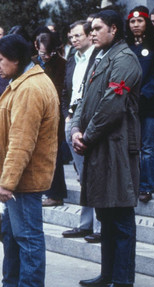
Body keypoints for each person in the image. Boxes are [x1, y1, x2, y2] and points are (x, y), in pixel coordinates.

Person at [0, 34, 59, 287]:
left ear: (16, 59)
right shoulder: (25, 81)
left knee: (27, 237)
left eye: (0, 60)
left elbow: (21, 142)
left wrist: (8, 182)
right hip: (20, 179)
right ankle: (11, 286)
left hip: (24, 180)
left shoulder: (29, 88)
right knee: (13, 235)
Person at [71, 10, 142, 287]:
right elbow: (83, 99)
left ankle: (122, 280)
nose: (93, 32)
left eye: (98, 28)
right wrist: (76, 127)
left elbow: (113, 104)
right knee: (105, 212)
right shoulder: (100, 57)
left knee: (121, 213)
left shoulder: (125, 59)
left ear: (114, 29)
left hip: (116, 146)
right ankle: (108, 273)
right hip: (100, 145)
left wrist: (86, 136)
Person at [60, 20, 102, 242]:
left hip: (90, 120)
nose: (74, 40)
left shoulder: (99, 56)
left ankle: (99, 226)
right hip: (72, 119)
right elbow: (67, 88)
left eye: (78, 35)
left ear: (88, 35)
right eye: (71, 36)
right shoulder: (72, 58)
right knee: (83, 175)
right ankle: (85, 224)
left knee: (94, 174)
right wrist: (67, 113)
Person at [126, 7, 154, 203]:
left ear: (147, 23)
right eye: (132, 22)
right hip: (126, 105)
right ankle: (130, 185)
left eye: (140, 21)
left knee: (147, 148)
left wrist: (144, 93)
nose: (136, 25)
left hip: (146, 104)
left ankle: (146, 186)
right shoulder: (124, 45)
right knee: (128, 147)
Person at [32, 32, 68, 207]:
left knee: (54, 154)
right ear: (36, 46)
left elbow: (60, 90)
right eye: (42, 53)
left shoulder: (61, 64)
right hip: (33, 113)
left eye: (49, 53)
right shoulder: (32, 62)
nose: (46, 57)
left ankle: (56, 193)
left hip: (53, 115)